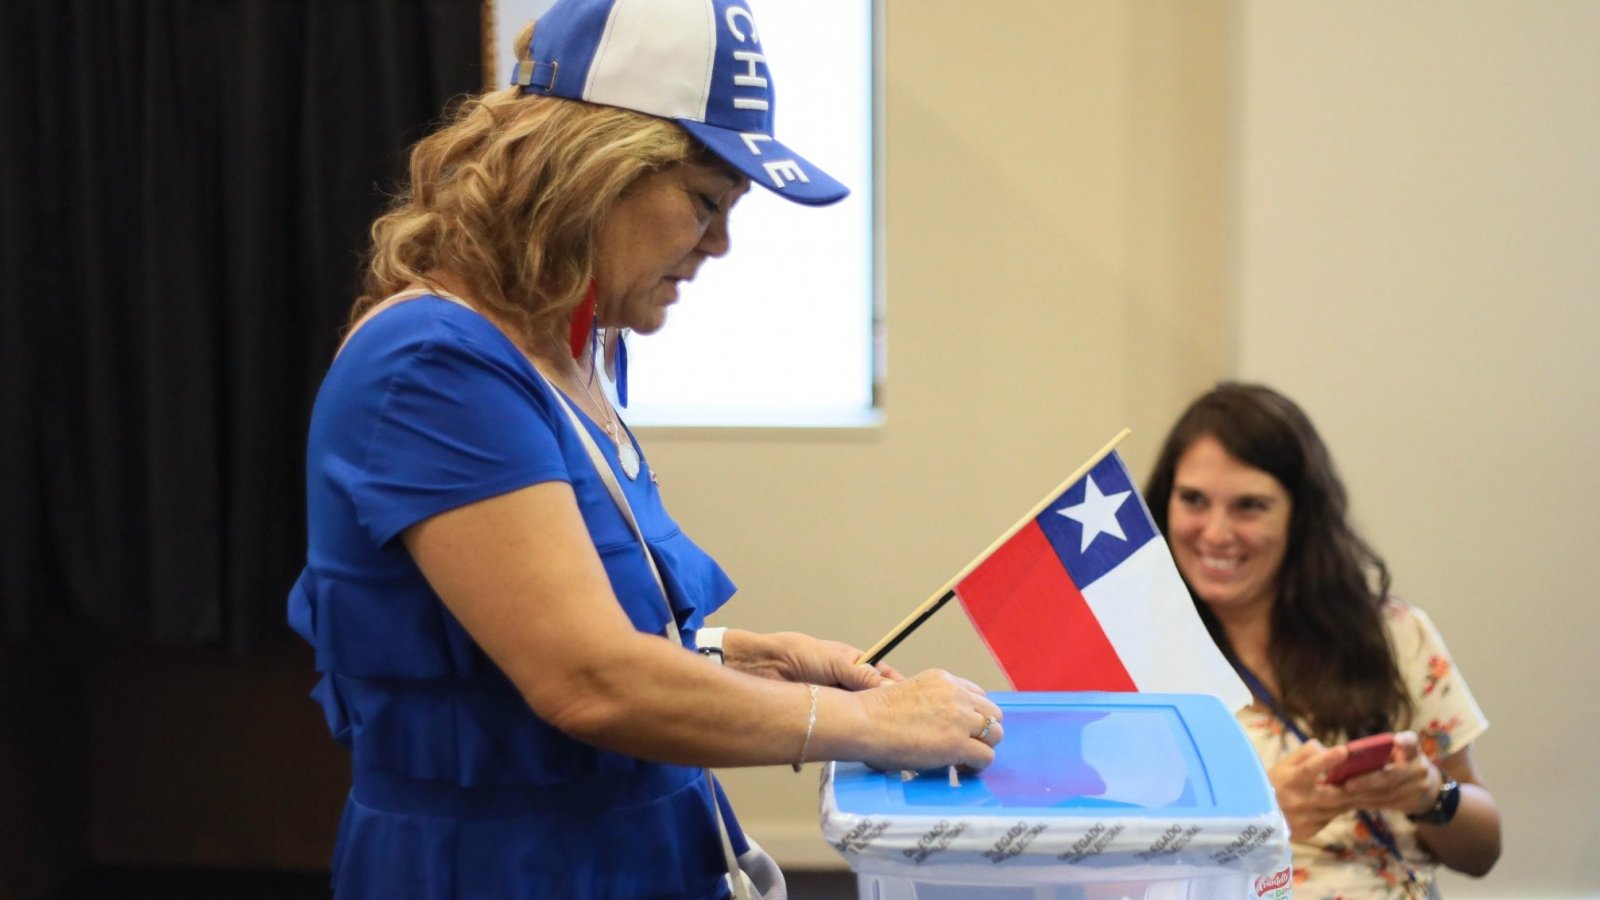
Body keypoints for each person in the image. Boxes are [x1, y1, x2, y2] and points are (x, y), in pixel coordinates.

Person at [286, 1, 1004, 897]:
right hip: (505, 871)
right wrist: (870, 723)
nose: (720, 245)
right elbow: (586, 680)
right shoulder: (434, 367)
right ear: (591, 173)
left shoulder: (573, 350)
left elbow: (523, 642)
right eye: (705, 202)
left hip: (623, 851)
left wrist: (734, 653)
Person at [1144, 382, 1500, 897]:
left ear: (1299, 516)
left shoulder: (1394, 634)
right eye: (1193, 500)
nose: (1216, 533)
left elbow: (1484, 852)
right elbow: (1109, 869)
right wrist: (1266, 818)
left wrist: (1430, 793)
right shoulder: (1133, 658)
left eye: (1249, 506)